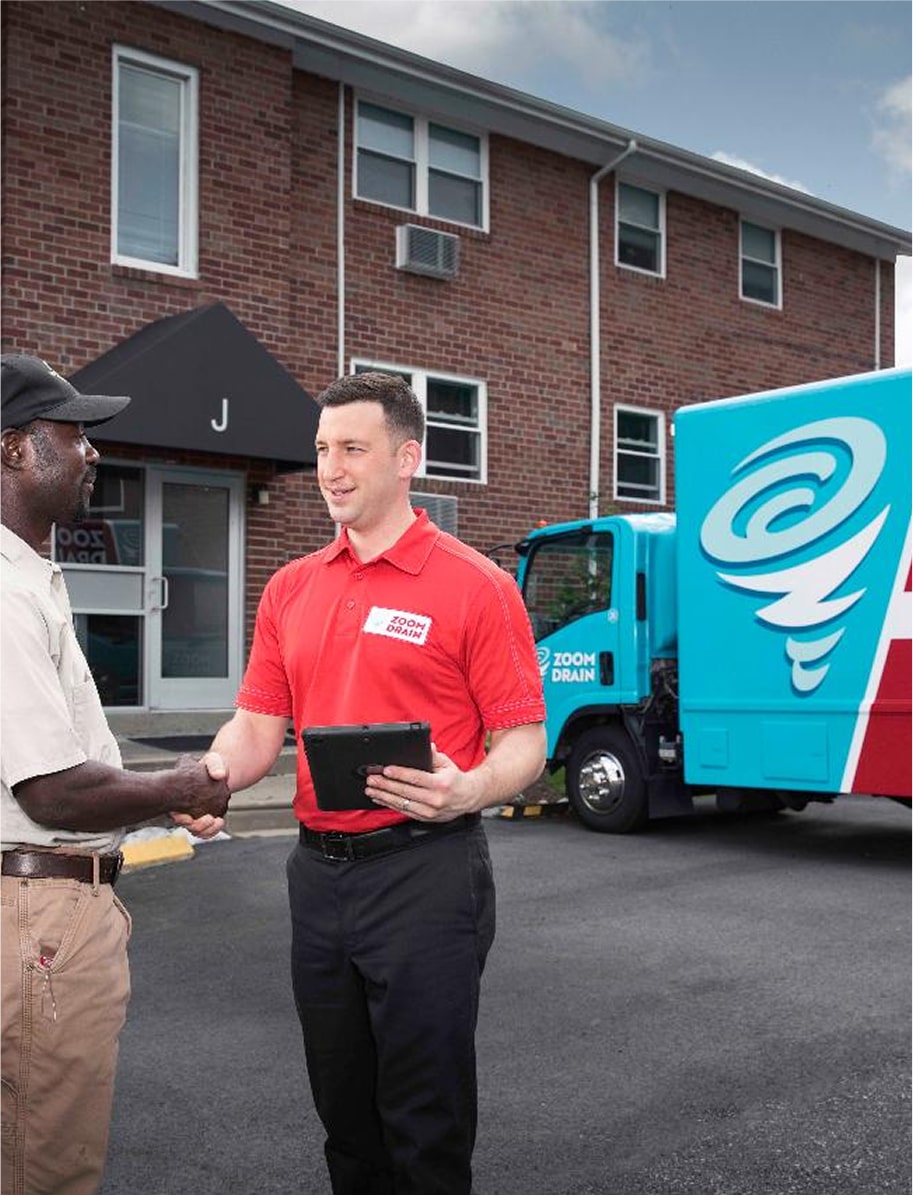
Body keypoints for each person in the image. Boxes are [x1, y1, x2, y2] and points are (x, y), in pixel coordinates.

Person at [206, 370, 546, 1194]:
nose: (331, 468)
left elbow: (525, 742)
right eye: (322, 450)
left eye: (352, 448)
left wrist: (470, 787)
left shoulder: (475, 585)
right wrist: (205, 780)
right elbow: (255, 725)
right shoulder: (291, 588)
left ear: (407, 458)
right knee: (344, 1111)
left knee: (424, 1118)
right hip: (316, 876)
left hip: (426, 872)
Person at [0, 353, 232, 1196]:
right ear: (16, 450)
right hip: (36, 925)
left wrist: (158, 808)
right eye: (75, 433)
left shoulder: (29, 583)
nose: (93, 451)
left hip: (40, 912)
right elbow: (52, 791)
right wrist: (180, 787)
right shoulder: (5, 593)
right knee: (45, 1167)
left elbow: (77, 764)